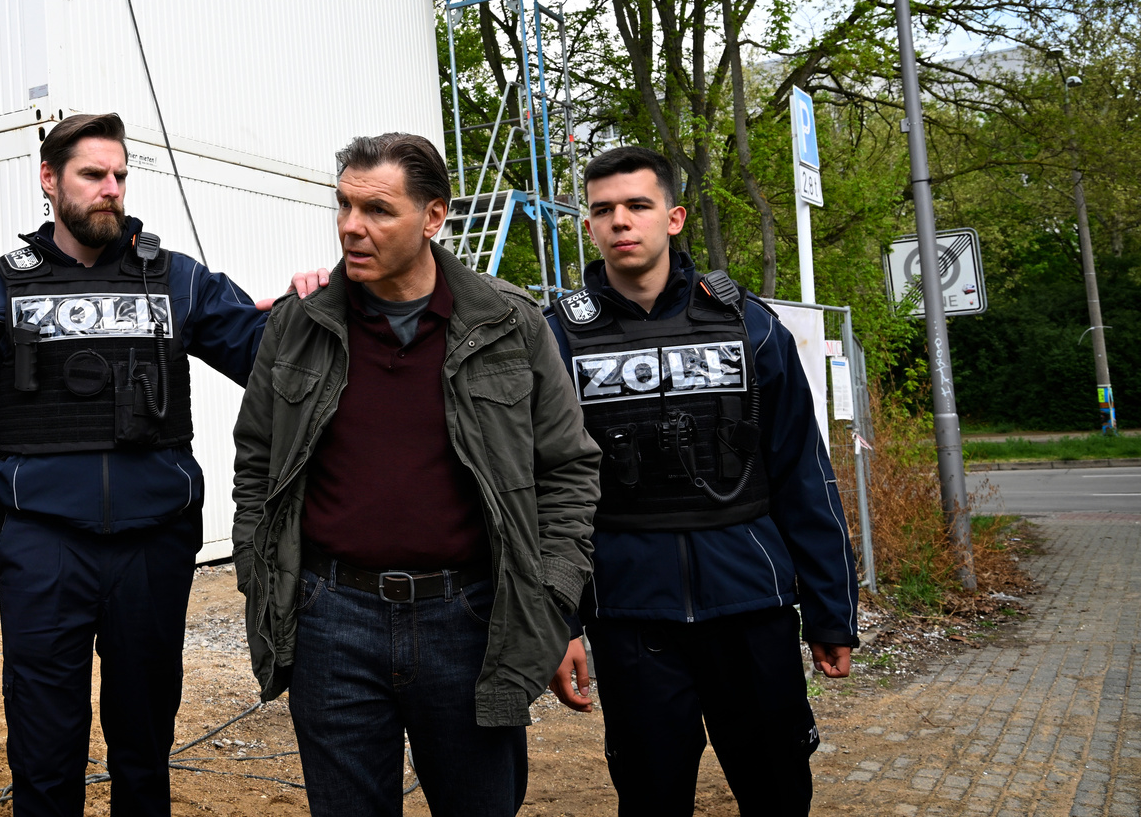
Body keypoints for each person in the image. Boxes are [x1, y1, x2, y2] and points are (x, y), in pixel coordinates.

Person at [0, 112, 323, 817]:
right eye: (93, 174)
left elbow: (267, 358)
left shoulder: (176, 280)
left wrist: (315, 305)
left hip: (152, 542)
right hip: (42, 544)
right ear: (49, 180)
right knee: (44, 748)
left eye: (120, 175)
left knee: (144, 744)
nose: (111, 188)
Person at [231, 132, 601, 817]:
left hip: (470, 621)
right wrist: (262, 576)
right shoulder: (297, 324)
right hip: (331, 621)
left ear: (433, 217)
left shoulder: (509, 322)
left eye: (377, 209)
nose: (351, 225)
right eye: (344, 205)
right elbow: (256, 461)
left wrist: (549, 603)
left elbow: (568, 470)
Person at [541, 145, 859, 816]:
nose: (620, 221)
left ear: (674, 217)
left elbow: (804, 473)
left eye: (638, 205)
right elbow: (541, 495)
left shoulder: (748, 325)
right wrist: (559, 621)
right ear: (589, 225)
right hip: (632, 618)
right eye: (603, 209)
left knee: (778, 793)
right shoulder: (557, 340)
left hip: (753, 607)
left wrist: (832, 610)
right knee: (651, 800)